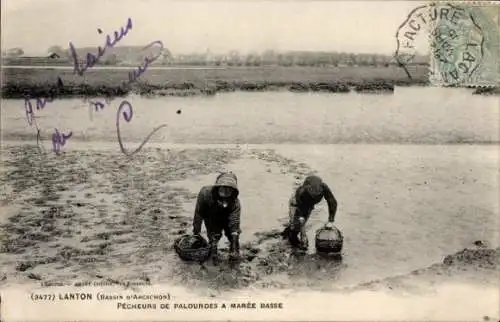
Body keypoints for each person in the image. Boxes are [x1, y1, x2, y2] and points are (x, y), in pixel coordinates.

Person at [192, 172, 241, 264]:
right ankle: (213, 252)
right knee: (214, 236)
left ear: (233, 192)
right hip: (211, 215)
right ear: (217, 189)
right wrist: (196, 232)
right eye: (223, 189)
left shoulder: (235, 203)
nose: (225, 192)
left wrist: (234, 245)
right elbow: (199, 214)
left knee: (232, 236)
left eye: (228, 190)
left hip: (227, 216)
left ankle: (234, 252)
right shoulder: (205, 194)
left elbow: (235, 223)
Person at [283, 175, 338, 250]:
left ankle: (288, 231)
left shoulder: (324, 187)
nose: (315, 192)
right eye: (313, 192)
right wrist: (303, 234)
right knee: (296, 226)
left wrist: (331, 220)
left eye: (317, 192)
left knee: (299, 224)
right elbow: (301, 212)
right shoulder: (301, 192)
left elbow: (332, 202)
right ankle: (293, 243)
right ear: (307, 187)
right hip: (297, 204)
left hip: (309, 205)